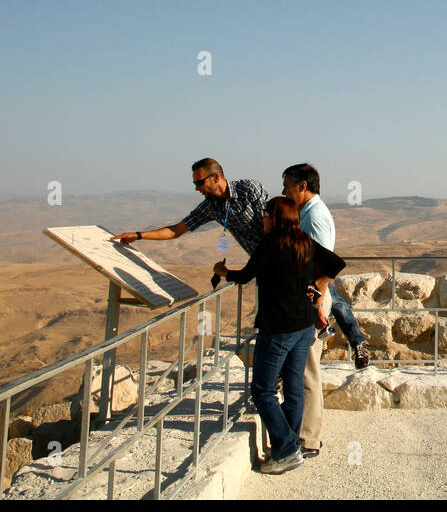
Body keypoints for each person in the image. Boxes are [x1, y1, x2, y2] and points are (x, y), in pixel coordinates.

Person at [110, 157, 368, 362]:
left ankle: (299, 371)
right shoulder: (210, 207)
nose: (197, 188)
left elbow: (279, 212)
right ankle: (338, 348)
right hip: (266, 265)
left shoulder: (248, 189)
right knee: (306, 308)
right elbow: (178, 229)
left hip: (283, 257)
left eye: (199, 182)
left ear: (217, 177)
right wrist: (140, 235)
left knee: (313, 304)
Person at [214, 197, 345, 473]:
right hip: (304, 325)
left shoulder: (271, 243)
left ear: (275, 218)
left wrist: (224, 272)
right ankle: (291, 445)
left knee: (262, 390)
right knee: (294, 385)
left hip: (278, 328)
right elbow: (335, 263)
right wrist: (315, 286)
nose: (262, 219)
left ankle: (285, 450)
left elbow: (246, 275)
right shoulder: (305, 242)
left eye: (265, 214)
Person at [283, 162, 356, 459]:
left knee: (307, 369)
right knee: (300, 368)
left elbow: (325, 265)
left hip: (312, 300)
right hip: (309, 298)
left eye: (287, 185)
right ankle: (302, 431)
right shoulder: (309, 211)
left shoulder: (315, 216)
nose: (284, 191)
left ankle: (309, 439)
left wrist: (316, 304)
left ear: (302, 186)